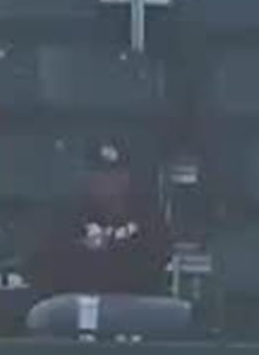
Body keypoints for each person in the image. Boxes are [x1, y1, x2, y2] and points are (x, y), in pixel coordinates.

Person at [24, 139, 187, 338]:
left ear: (127, 178)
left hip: (136, 305)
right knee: (45, 315)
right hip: (75, 306)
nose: (108, 183)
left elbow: (155, 260)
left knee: (179, 315)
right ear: (88, 178)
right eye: (100, 175)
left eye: (115, 175)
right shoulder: (66, 213)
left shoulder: (146, 212)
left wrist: (98, 256)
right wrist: (112, 258)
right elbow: (49, 263)